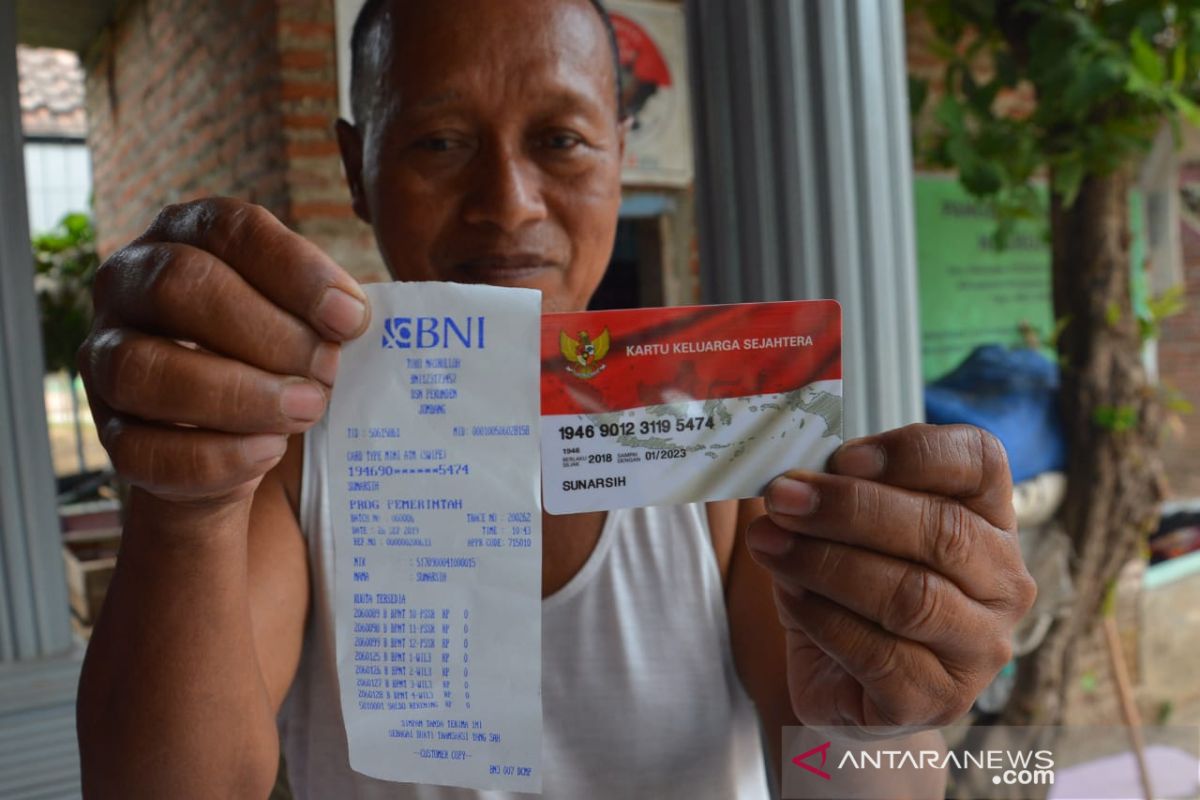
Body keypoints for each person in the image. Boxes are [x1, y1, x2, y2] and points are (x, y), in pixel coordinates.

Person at [74, 1, 1037, 797]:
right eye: (440, 141)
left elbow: (836, 767)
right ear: (354, 170)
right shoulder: (287, 449)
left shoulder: (714, 427)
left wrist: (887, 713)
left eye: (562, 140)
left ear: (621, 154)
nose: (509, 201)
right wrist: (183, 508)